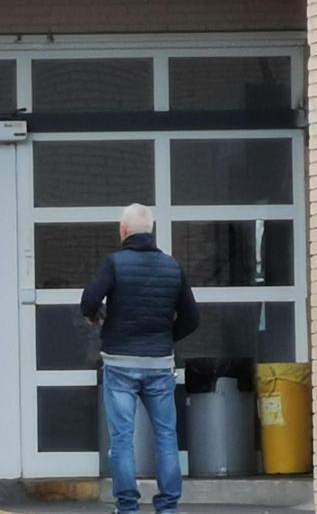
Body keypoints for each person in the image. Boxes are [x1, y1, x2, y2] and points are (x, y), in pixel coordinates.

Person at [80, 203, 199, 514]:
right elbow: (192, 317)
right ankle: (168, 506)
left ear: (123, 230)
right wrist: (165, 338)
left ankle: (128, 506)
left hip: (119, 363)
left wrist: (95, 316)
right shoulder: (172, 266)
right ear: (151, 230)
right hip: (159, 363)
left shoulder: (115, 263)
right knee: (166, 436)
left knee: (122, 438)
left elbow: (90, 300)